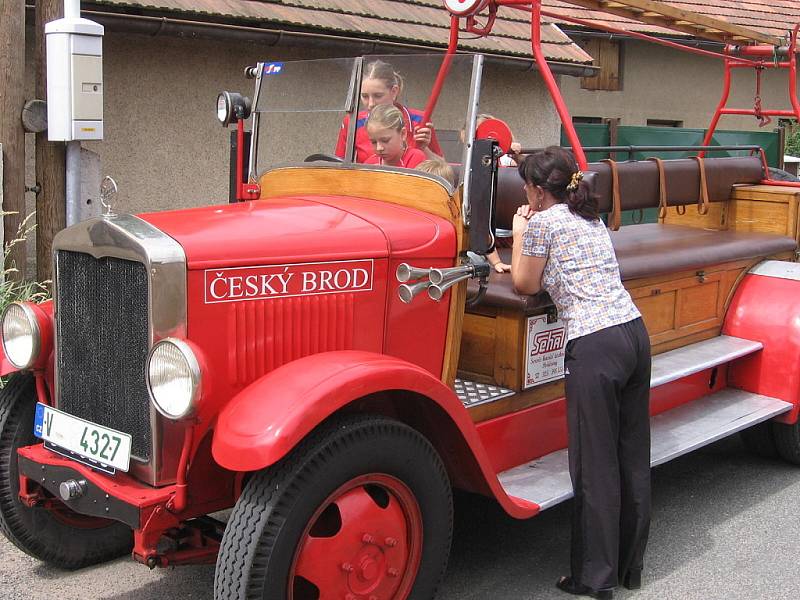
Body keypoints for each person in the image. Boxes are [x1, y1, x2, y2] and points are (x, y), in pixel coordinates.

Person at [511, 146, 651, 599]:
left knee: (593, 467)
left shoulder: (542, 223)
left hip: (595, 345)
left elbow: (524, 283)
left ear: (535, 191)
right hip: (633, 333)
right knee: (630, 455)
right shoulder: (589, 217)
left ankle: (595, 578)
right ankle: (629, 566)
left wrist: (518, 230)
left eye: (526, 186)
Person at [335, 60, 443, 163]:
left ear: (394, 91)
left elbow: (443, 170)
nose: (371, 103)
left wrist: (424, 149)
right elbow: (338, 166)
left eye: (378, 96)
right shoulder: (353, 122)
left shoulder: (420, 120)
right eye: (365, 96)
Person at [415, 158, 510, 273]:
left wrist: (497, 263)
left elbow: (483, 237)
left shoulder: (457, 210)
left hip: (463, 255)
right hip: (432, 256)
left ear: (446, 190)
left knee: (467, 258)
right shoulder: (415, 209)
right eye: (418, 188)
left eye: (428, 190)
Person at [364, 104, 426, 169]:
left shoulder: (415, 157)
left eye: (385, 140)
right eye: (374, 142)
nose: (379, 148)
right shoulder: (369, 164)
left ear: (403, 134)